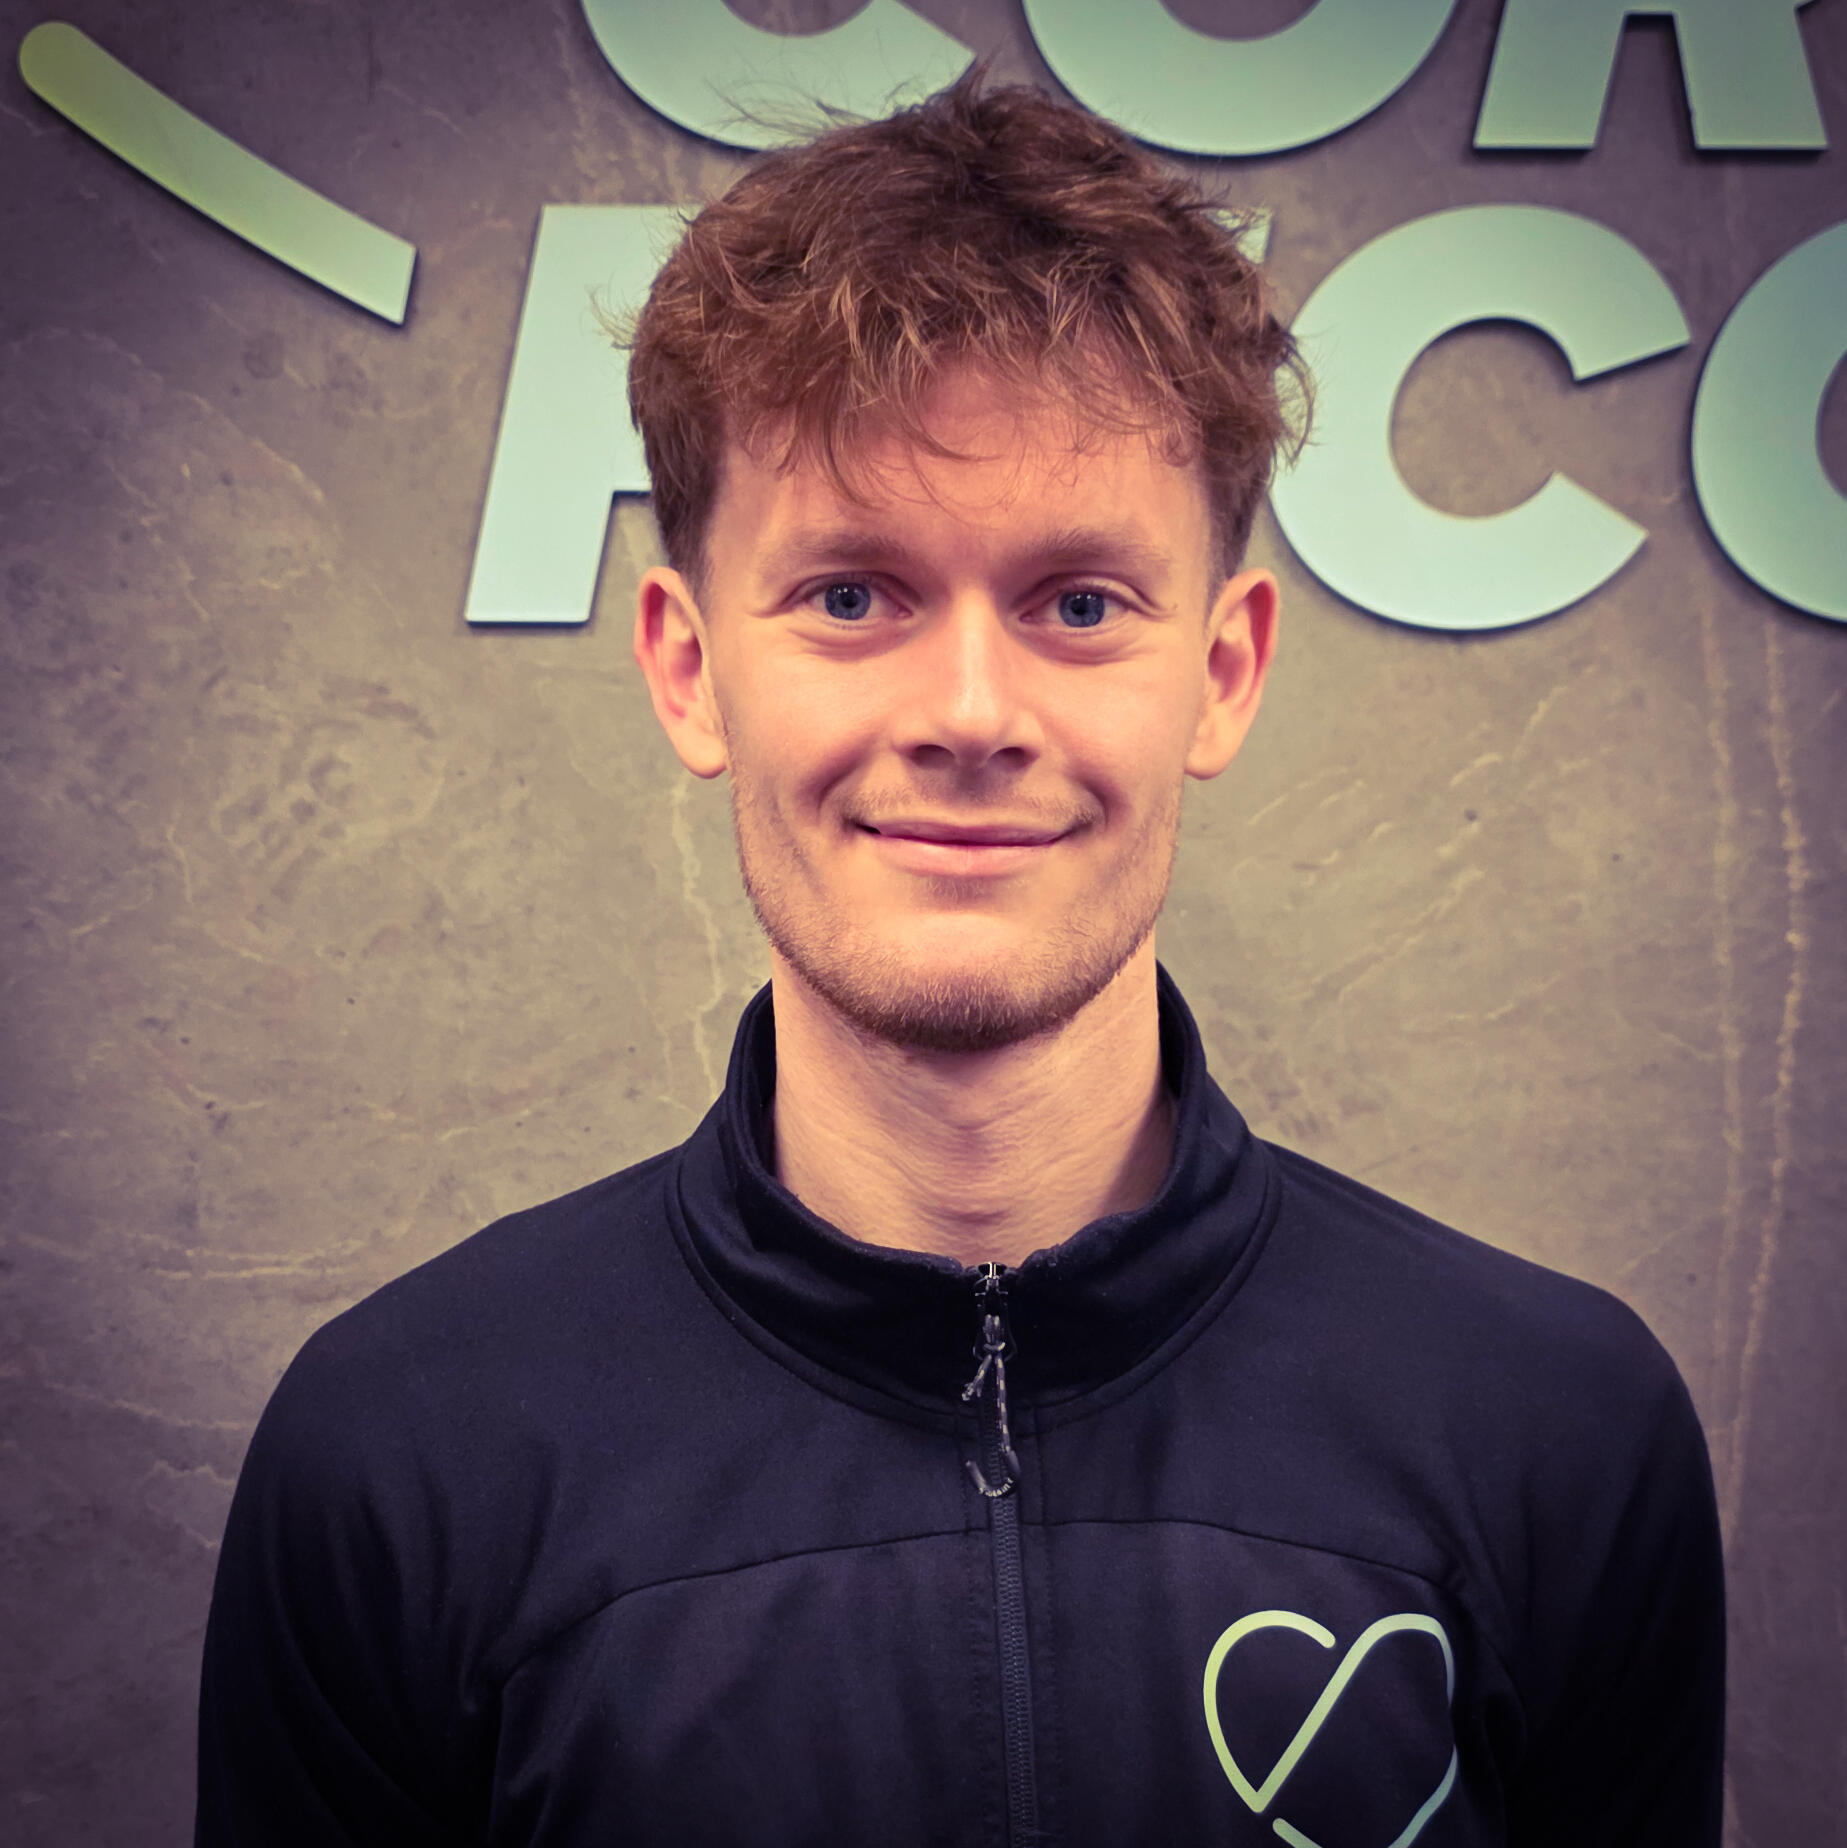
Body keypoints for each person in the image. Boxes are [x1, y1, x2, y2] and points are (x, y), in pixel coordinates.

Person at [196, 75, 1724, 1846]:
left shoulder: (1557, 1430)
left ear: (1222, 673)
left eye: (1080, 603)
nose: (972, 714)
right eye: (851, 596)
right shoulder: (398, 1459)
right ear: (688, 667)